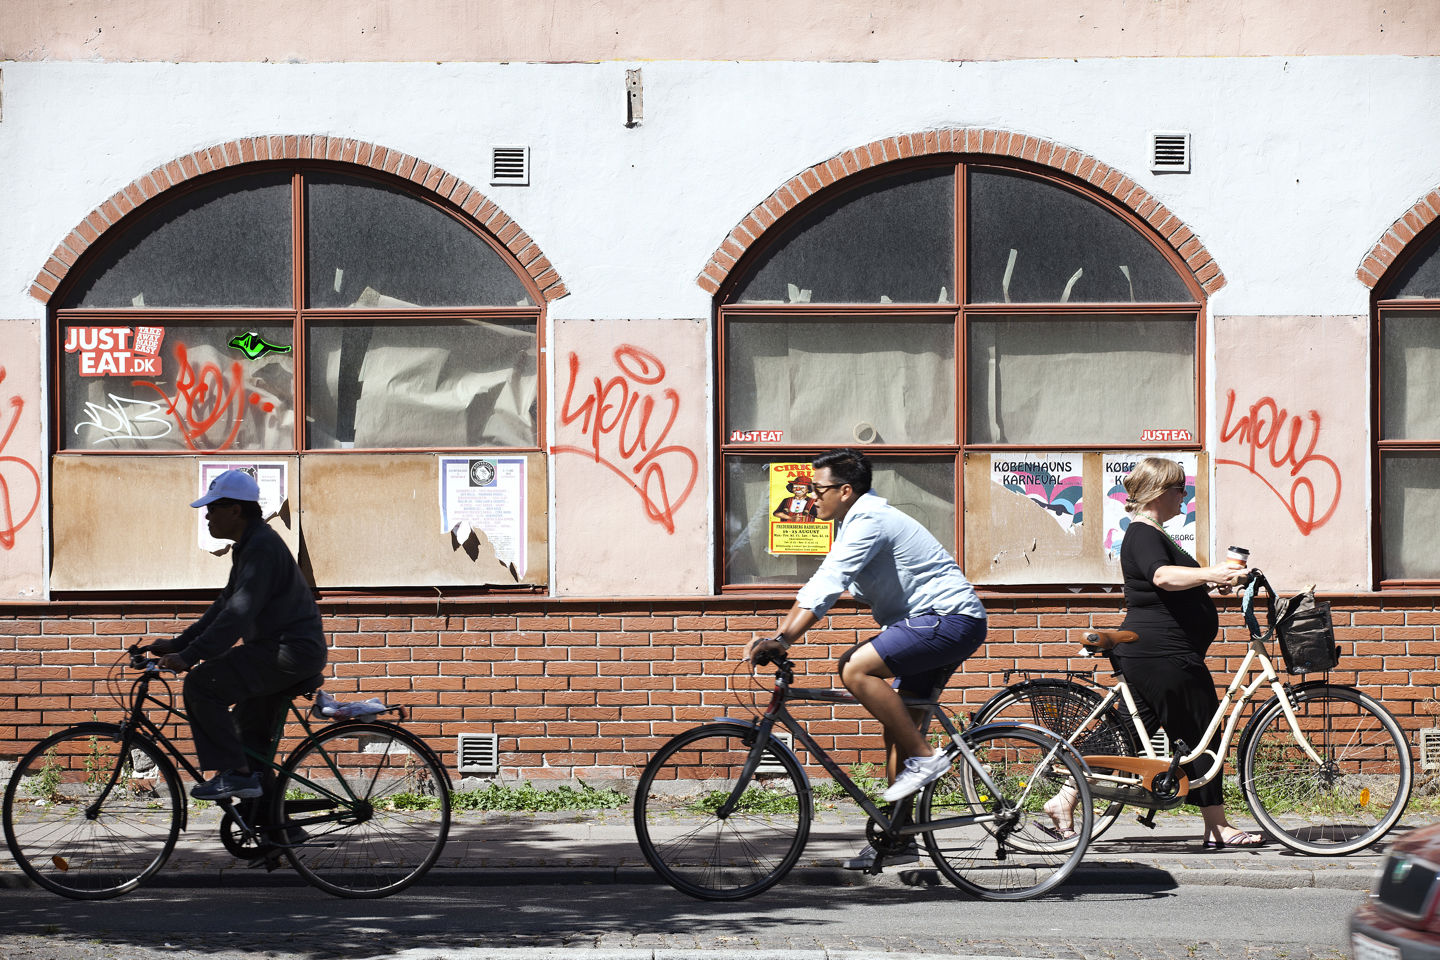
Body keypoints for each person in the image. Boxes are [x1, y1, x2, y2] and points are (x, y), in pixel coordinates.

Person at [744, 448, 987, 869]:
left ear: (845, 490)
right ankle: (899, 840)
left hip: (946, 620)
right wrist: (788, 631)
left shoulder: (868, 520)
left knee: (854, 667)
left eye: (817, 489)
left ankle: (926, 757)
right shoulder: (854, 524)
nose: (810, 497)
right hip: (933, 622)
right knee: (899, 729)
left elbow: (828, 580)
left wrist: (784, 639)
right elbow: (833, 585)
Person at [1041, 456, 1259, 848]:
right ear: (1159, 492)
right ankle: (1218, 827)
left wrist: (1211, 584)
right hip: (1164, 655)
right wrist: (1211, 572)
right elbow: (1161, 576)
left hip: (1154, 653)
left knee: (1125, 734)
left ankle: (1064, 799)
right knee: (1201, 731)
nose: (1184, 496)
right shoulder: (1143, 533)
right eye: (1179, 489)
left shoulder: (1153, 533)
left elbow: (1169, 585)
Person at [149, 469, 328, 801]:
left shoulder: (261, 547)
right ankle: (269, 824)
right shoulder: (249, 545)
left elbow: (237, 614)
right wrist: (179, 644)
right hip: (283, 651)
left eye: (212, 508)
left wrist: (190, 657)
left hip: (289, 651)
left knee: (202, 684)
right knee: (247, 741)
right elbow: (224, 606)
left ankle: (236, 775)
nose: (207, 516)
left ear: (235, 510)